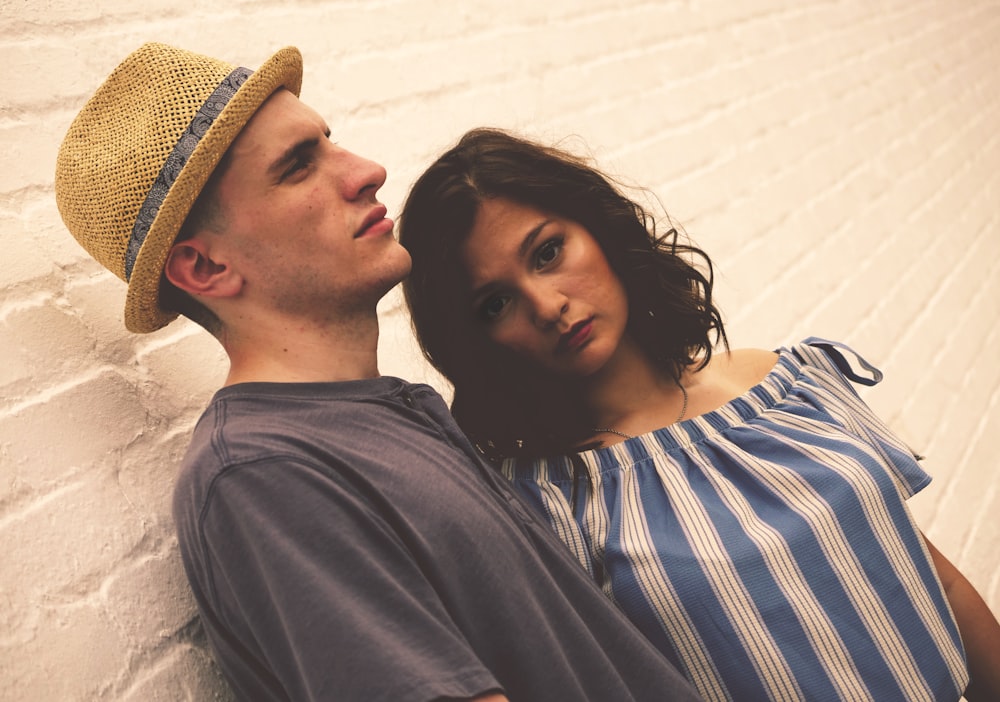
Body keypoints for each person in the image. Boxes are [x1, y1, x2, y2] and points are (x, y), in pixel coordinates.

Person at [54, 45, 705, 702]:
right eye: (297, 167)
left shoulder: (390, 414)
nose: (367, 171)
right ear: (205, 270)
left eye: (329, 143)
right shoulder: (264, 473)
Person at [398, 127, 1000, 702]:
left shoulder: (789, 381)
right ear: (476, 341)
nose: (548, 304)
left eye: (549, 251)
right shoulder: (544, 507)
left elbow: (933, 579)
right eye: (495, 302)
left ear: (599, 228)